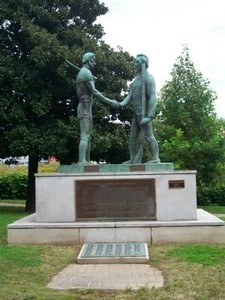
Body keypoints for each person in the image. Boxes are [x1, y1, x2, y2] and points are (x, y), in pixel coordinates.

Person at [76, 52, 118, 165]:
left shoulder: (82, 73)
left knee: (87, 135)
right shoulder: (86, 73)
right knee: (85, 135)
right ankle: (82, 161)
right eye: (93, 61)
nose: (94, 63)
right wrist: (110, 102)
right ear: (89, 60)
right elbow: (94, 92)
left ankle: (86, 160)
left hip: (84, 106)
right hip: (85, 107)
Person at [119, 54, 160, 164]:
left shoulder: (148, 78)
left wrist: (150, 116)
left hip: (144, 114)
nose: (135, 64)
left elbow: (152, 97)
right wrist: (120, 104)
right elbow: (130, 96)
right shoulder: (137, 80)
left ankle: (155, 158)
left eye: (137, 62)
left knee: (148, 136)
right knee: (133, 138)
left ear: (143, 64)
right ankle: (133, 159)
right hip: (136, 114)